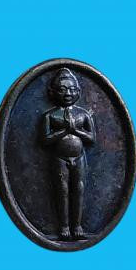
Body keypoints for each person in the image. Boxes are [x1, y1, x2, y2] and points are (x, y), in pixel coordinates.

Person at [42, 68, 95, 240]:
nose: (68, 94)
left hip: (79, 157)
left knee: (79, 189)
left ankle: (77, 225)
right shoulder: (50, 115)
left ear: (78, 92)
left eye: (72, 89)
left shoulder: (83, 114)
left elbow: (91, 138)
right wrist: (64, 131)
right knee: (62, 190)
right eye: (62, 90)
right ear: (52, 92)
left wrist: (75, 130)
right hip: (60, 158)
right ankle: (64, 226)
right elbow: (45, 140)